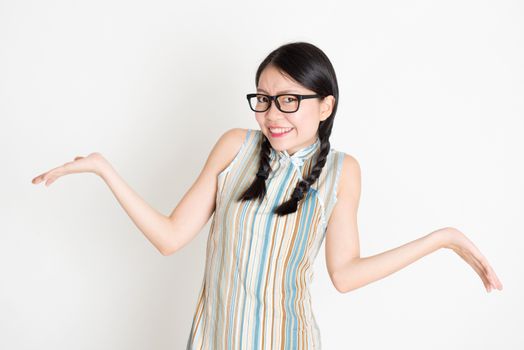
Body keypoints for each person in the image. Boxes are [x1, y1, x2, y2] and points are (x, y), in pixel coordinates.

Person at [31, 41, 503, 349]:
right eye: (264, 98)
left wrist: (441, 239)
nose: (273, 113)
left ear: (326, 105)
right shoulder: (236, 147)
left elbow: (346, 273)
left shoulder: (342, 171)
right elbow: (171, 237)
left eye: (289, 99)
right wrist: (105, 171)